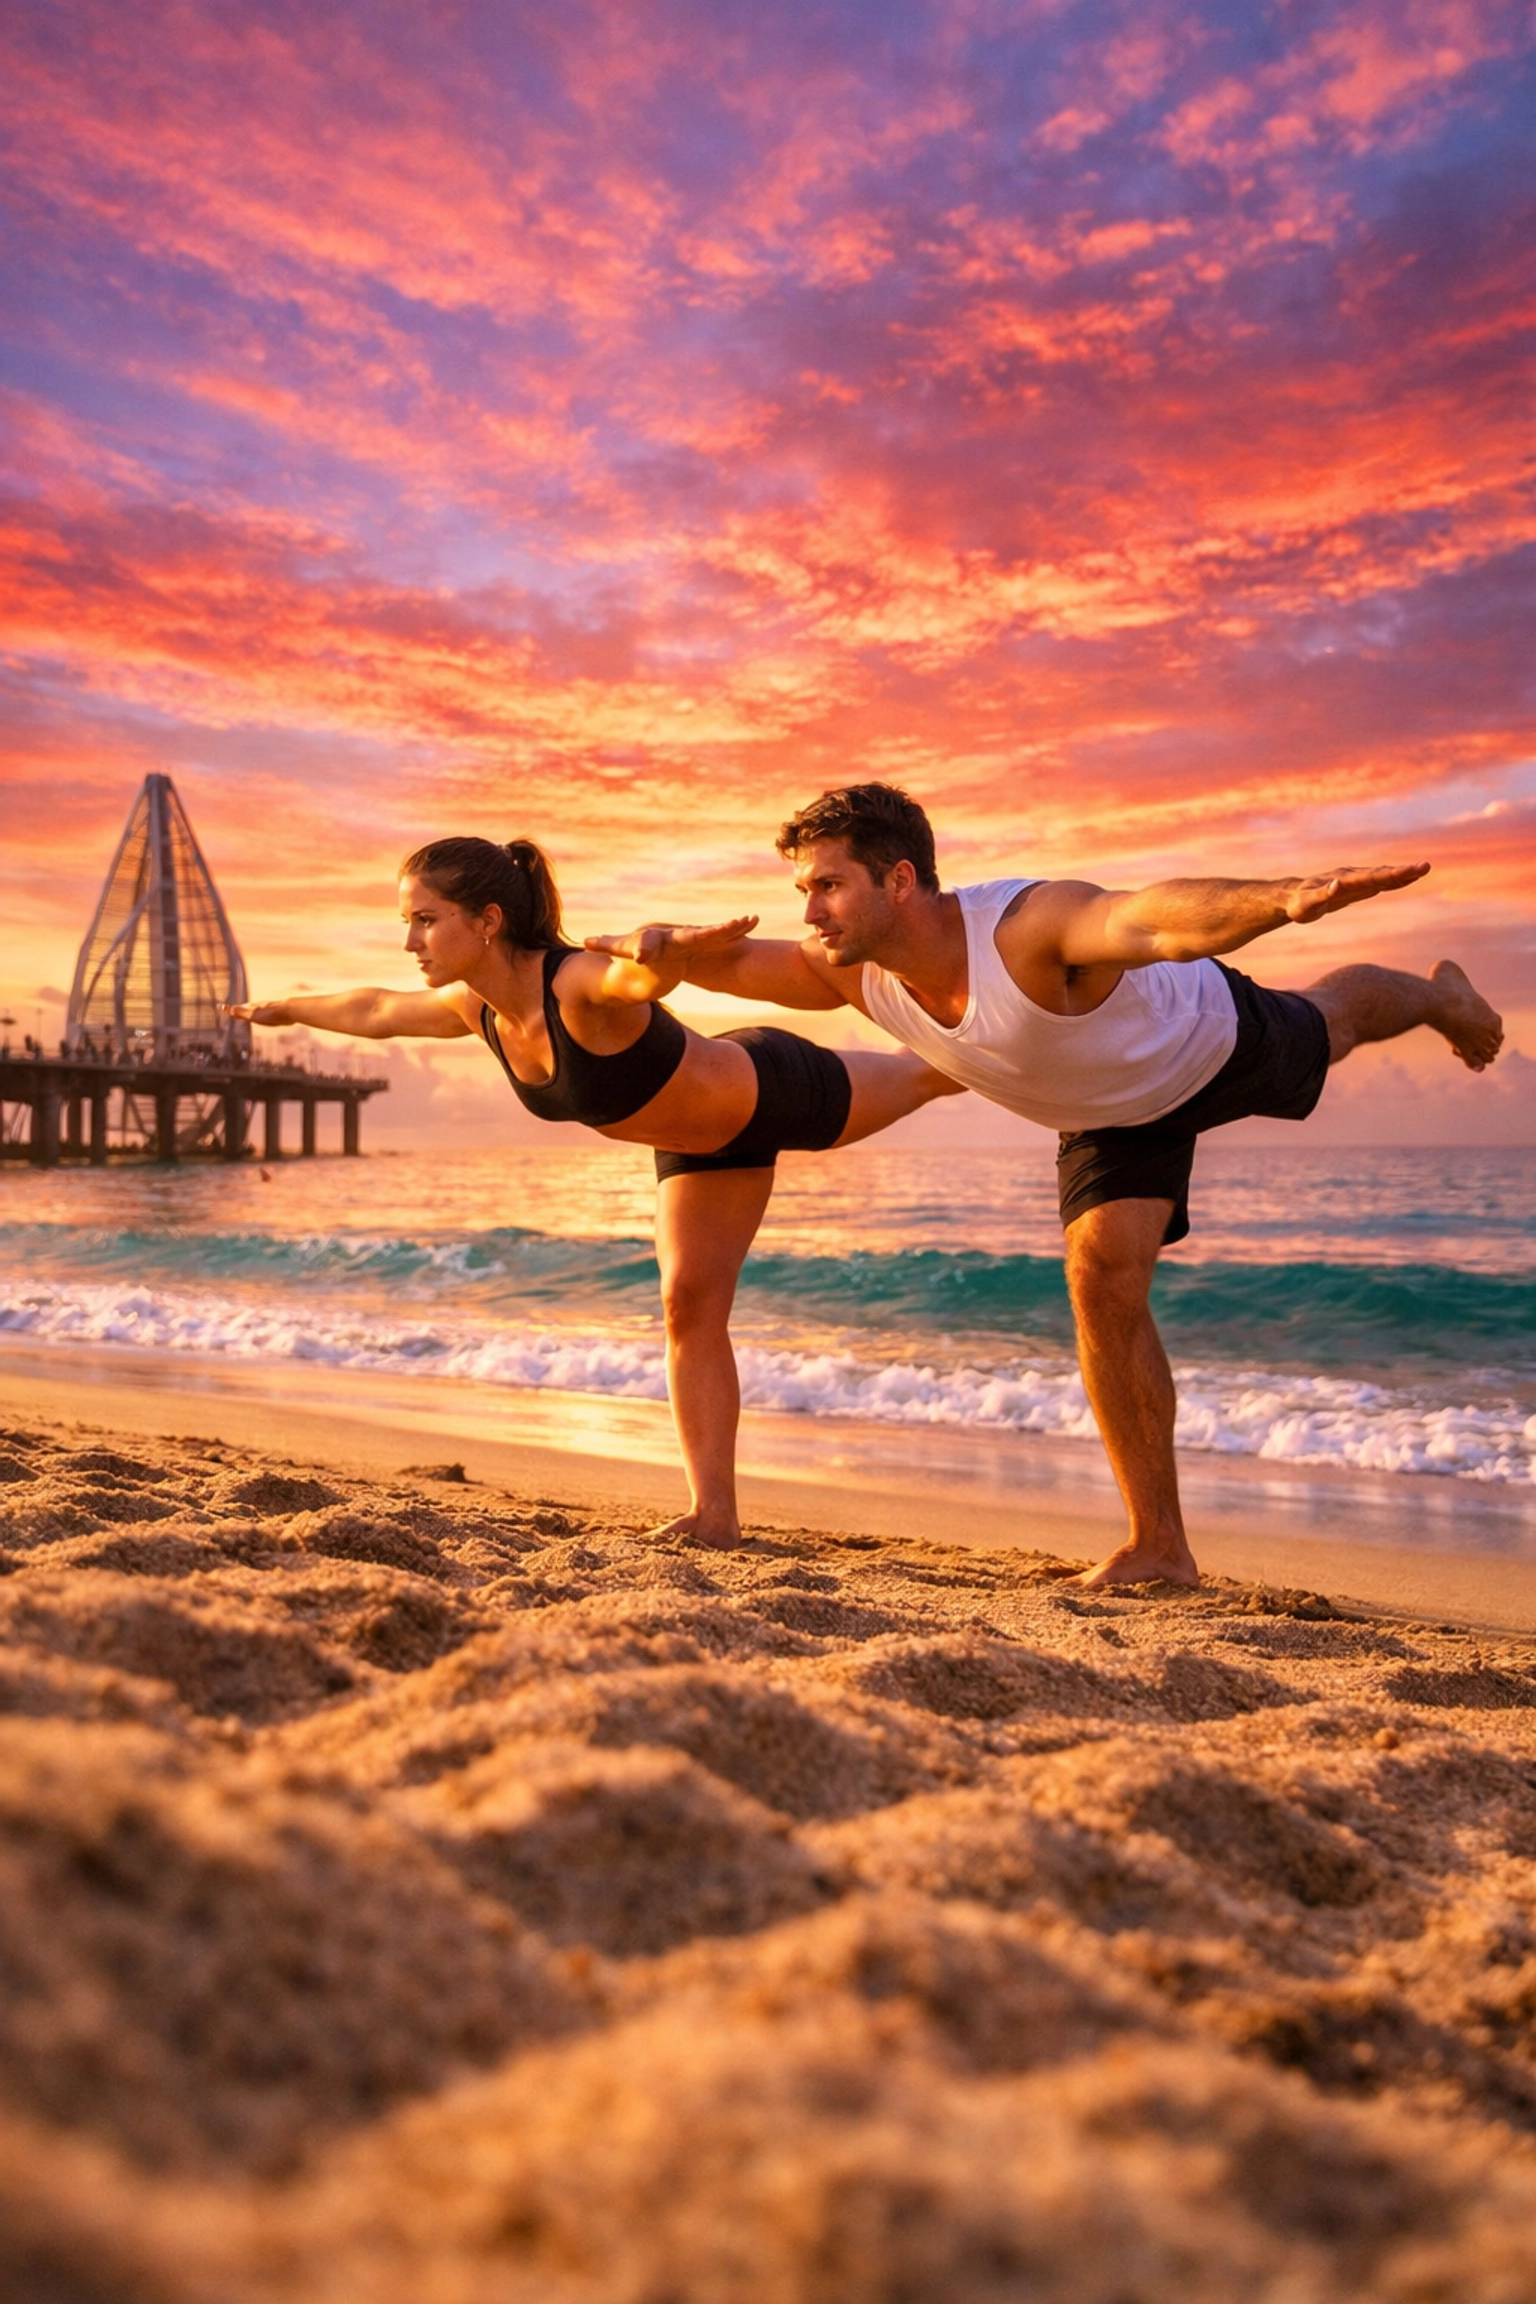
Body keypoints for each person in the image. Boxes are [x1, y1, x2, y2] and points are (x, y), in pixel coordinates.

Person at [613, 782, 1504, 1590]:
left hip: (1202, 1045)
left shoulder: (1025, 929)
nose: (808, 908)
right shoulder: (845, 970)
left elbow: (1150, 920)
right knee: (1100, 1278)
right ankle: (1160, 1544)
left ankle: (1438, 999)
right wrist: (638, 949)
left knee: (1332, 1018)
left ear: (898, 881)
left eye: (827, 885)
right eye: (803, 888)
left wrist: (1279, 899)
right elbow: (714, 965)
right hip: (1106, 1113)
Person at [226, 834, 960, 1551]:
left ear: (487, 921)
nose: (411, 942)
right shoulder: (475, 1010)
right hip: (699, 1148)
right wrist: (287, 1008)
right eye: (406, 922)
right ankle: (713, 1515)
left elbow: (633, 982)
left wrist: (661, 955)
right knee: (687, 1308)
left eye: (425, 920)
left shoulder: (571, 980)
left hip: (774, 1090)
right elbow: (375, 1012)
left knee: (940, 1070)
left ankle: (1030, 1043)